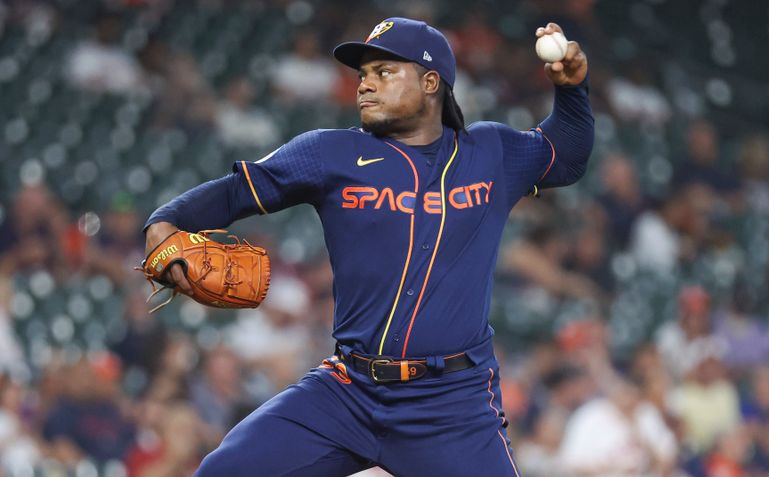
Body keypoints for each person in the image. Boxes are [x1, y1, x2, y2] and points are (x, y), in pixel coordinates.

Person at [144, 18, 593, 476]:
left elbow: (567, 155)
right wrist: (165, 223)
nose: (365, 85)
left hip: (451, 406)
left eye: (383, 72)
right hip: (347, 392)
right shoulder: (329, 153)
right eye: (363, 75)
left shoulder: (490, 152)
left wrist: (573, 90)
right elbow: (235, 191)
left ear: (431, 81)